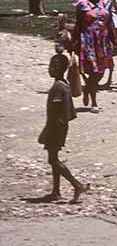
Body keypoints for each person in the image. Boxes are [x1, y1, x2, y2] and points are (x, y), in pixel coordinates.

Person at [38, 53, 90, 203]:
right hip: (59, 126)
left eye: (53, 67)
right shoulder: (64, 84)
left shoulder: (58, 87)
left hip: (56, 127)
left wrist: (47, 130)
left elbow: (55, 111)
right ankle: (56, 191)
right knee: (53, 158)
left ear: (60, 69)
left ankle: (77, 185)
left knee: (53, 160)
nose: (50, 69)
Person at [74, 0, 114, 111]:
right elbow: (78, 24)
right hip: (88, 41)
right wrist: (75, 42)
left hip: (102, 41)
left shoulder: (105, 2)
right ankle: (94, 102)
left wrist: (114, 39)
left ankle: (88, 89)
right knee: (93, 71)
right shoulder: (82, 4)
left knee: (101, 72)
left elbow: (109, 20)